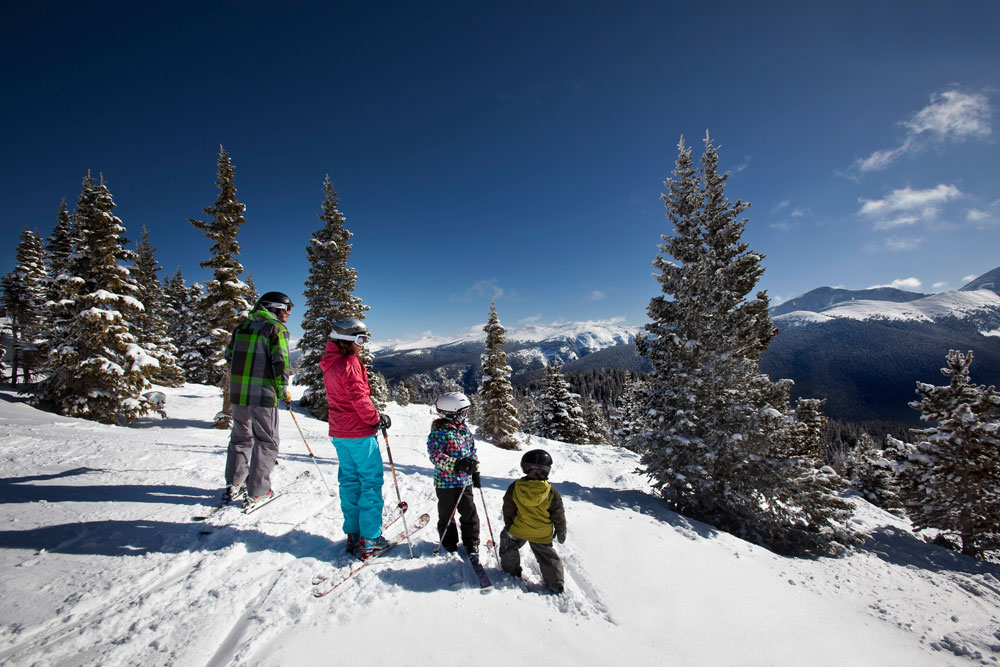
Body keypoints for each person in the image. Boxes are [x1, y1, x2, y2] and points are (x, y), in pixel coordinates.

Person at [320, 317, 391, 560]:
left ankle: (354, 533)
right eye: (360, 340)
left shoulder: (330, 363)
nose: (363, 345)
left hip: (339, 432)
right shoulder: (349, 363)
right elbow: (358, 397)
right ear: (347, 340)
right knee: (370, 482)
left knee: (350, 481)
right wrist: (375, 419)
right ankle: (370, 538)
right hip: (359, 432)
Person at [224, 291, 293, 509]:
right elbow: (280, 363)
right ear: (273, 308)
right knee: (267, 441)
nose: (289, 313)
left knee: (240, 436)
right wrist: (283, 391)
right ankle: (258, 490)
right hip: (262, 394)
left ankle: (235, 481)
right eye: (286, 308)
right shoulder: (276, 329)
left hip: (237, 393)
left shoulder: (241, 327)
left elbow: (228, 355)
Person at [500, 449, 567, 594]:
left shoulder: (515, 487)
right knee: (547, 555)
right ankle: (556, 583)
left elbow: (508, 508)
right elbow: (558, 513)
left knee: (507, 540)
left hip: (519, 529)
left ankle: (511, 571)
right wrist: (561, 529)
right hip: (541, 533)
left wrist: (509, 524)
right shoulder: (550, 491)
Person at [427, 392, 481, 555]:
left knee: (469, 512)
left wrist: (475, 470)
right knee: (446, 513)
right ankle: (449, 541)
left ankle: (472, 541)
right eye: (463, 412)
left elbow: (472, 452)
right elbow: (435, 456)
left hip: (465, 481)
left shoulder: (465, 430)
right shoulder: (439, 432)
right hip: (446, 482)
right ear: (452, 413)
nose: (465, 415)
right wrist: (456, 464)